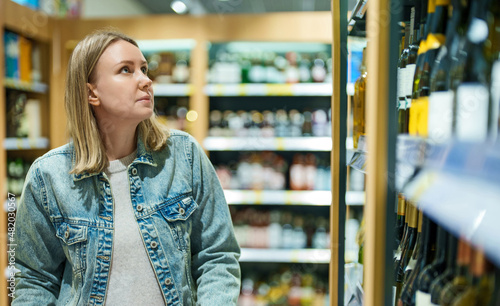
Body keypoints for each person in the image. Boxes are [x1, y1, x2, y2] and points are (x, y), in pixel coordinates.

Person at [13, 29, 241, 305]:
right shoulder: (48, 177)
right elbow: (34, 280)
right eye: (126, 70)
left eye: (144, 69)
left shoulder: (184, 156)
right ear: (91, 92)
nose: (146, 80)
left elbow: (217, 255)